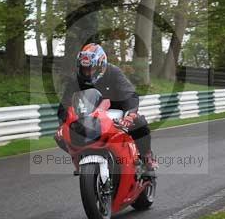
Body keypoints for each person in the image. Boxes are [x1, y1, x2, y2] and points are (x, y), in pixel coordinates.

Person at [56, 43, 157, 177]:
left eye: (91, 69)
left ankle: (146, 157)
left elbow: (130, 95)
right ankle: (79, 159)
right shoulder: (76, 79)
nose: (87, 73)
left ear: (101, 66)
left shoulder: (113, 72)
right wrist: (64, 123)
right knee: (60, 136)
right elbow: (64, 105)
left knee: (140, 122)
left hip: (117, 113)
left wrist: (129, 115)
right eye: (84, 69)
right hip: (90, 116)